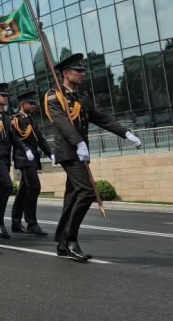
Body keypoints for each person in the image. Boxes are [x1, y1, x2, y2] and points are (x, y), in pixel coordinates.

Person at [46, 53, 142, 261]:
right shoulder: (54, 96)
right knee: (88, 192)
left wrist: (126, 133)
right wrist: (78, 142)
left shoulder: (82, 99)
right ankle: (71, 239)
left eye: (82, 70)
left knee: (72, 197)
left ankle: (63, 242)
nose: (82, 73)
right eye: (78, 71)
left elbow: (102, 119)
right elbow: (61, 121)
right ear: (65, 73)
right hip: (69, 151)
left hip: (80, 153)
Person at [0, 83, 31, 239]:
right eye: (2, 95)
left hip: (4, 157)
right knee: (6, 185)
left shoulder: (6, 117)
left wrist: (26, 149)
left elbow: (12, 137)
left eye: (6, 95)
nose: (5, 97)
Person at [10, 91, 53, 236]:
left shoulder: (32, 120)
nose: (34, 105)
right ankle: (31, 223)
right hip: (23, 157)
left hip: (32, 159)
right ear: (22, 104)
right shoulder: (15, 120)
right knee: (34, 186)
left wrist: (51, 154)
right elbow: (15, 139)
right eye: (31, 103)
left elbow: (40, 139)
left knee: (24, 189)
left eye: (34, 103)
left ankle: (16, 222)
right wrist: (26, 150)